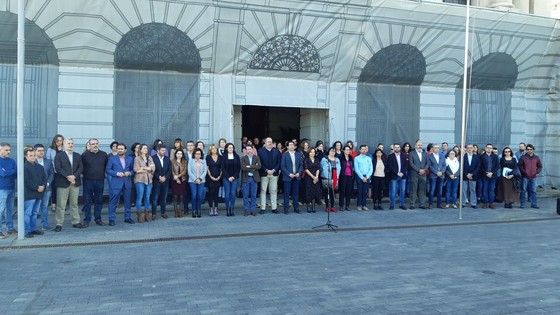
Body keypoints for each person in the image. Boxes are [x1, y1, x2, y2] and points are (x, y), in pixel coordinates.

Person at [54, 138, 85, 231]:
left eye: (72, 143)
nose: (71, 145)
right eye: (68, 143)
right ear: (64, 145)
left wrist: (74, 176)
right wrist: (68, 176)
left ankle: (76, 221)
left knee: (74, 203)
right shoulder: (59, 156)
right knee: (61, 204)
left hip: (75, 183)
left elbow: (81, 167)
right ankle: (59, 223)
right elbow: (58, 168)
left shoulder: (77, 155)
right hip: (63, 183)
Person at [105, 143, 135, 225]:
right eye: (118, 149)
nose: (120, 150)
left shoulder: (130, 159)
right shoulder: (112, 159)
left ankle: (127, 217)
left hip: (127, 182)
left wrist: (130, 173)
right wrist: (117, 173)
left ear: (125, 150)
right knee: (113, 202)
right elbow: (108, 170)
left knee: (128, 201)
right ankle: (111, 219)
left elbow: (133, 170)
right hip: (116, 183)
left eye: (122, 149)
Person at [81, 138, 108, 226]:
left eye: (96, 143)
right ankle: (87, 219)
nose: (95, 145)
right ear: (89, 145)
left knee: (99, 200)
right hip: (88, 181)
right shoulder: (84, 155)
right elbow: (81, 167)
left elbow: (106, 166)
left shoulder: (104, 154)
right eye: (93, 144)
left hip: (100, 180)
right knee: (87, 201)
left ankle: (98, 219)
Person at [23, 147, 47, 238]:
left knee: (35, 213)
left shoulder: (40, 167)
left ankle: (34, 229)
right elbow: (26, 181)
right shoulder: (24, 167)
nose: (33, 157)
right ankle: (27, 230)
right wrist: (37, 187)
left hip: (39, 193)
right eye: (30, 155)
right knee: (28, 213)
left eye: (33, 155)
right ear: (26, 157)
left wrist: (43, 186)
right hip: (30, 194)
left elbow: (45, 178)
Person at [258, 137, 281, 214]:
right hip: (264, 174)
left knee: (273, 191)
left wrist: (274, 170)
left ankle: (274, 208)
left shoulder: (276, 151)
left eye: (271, 142)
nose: (269, 143)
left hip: (274, 174)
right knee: (263, 190)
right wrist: (267, 170)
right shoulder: (260, 151)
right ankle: (263, 208)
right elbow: (259, 163)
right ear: (265, 143)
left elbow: (279, 162)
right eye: (268, 142)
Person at [34, 144, 55, 230]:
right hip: (35, 188)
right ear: (35, 151)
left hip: (47, 188)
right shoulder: (31, 161)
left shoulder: (48, 161)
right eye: (39, 150)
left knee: (44, 207)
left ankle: (45, 225)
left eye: (42, 150)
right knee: (34, 208)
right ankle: (33, 226)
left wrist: (47, 184)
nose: (41, 152)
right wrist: (37, 186)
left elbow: (52, 174)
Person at [133, 144, 155, 223]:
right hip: (140, 180)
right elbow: (136, 170)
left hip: (149, 180)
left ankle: (147, 214)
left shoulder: (150, 158)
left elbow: (153, 168)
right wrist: (147, 169)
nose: (146, 149)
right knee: (140, 197)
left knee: (147, 197)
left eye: (146, 148)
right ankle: (139, 215)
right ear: (140, 150)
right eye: (144, 148)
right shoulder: (137, 158)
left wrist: (143, 168)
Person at [281, 141, 303, 214]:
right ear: (287, 147)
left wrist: (298, 173)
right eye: (290, 145)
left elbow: (301, 165)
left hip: (296, 176)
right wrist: (289, 174)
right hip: (288, 177)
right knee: (287, 193)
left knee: (296, 193)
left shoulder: (298, 154)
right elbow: (283, 166)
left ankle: (296, 207)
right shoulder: (285, 155)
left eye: (293, 145)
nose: (292, 146)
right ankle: (286, 208)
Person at [518, 144, 542, 209]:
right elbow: (519, 166)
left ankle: (534, 204)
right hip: (525, 177)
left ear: (533, 150)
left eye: (530, 149)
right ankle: (522, 204)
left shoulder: (536, 157)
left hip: (533, 177)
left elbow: (540, 166)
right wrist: (524, 172)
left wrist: (536, 172)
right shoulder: (523, 157)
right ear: (526, 150)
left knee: (533, 191)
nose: (529, 150)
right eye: (528, 149)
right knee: (523, 190)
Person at [151, 144, 172, 220]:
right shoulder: (153, 158)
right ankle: (154, 214)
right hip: (156, 181)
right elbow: (152, 170)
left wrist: (165, 177)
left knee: (164, 198)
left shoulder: (167, 159)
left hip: (165, 182)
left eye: (165, 150)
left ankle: (163, 213)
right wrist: (159, 177)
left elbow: (170, 170)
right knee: (155, 198)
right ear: (158, 150)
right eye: (162, 150)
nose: (164, 152)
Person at [241, 144, 261, 216]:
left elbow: (259, 166)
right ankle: (246, 210)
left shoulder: (256, 157)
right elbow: (243, 168)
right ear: (246, 150)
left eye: (250, 149)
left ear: (252, 149)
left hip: (254, 179)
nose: (249, 150)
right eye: (247, 149)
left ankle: (253, 210)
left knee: (253, 195)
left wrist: (249, 166)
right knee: (245, 195)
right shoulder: (243, 158)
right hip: (246, 179)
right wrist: (254, 167)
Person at [221, 143, 241, 216]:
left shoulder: (236, 156)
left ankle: (232, 208)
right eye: (229, 147)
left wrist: (233, 177)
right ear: (226, 148)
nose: (231, 149)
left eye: (232, 147)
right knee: (227, 193)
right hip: (226, 178)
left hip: (234, 178)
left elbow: (238, 167)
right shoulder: (223, 157)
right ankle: (227, 208)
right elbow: (222, 168)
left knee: (233, 193)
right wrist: (228, 177)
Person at [409, 139, 428, 209]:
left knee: (422, 189)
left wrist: (424, 170)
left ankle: (422, 204)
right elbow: (411, 163)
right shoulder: (412, 153)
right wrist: (418, 170)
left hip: (423, 174)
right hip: (415, 174)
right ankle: (412, 204)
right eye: (418, 145)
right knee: (413, 189)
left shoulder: (425, 153)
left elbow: (428, 163)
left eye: (421, 145)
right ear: (415, 145)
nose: (420, 146)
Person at [387, 143, 407, 210]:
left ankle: (401, 204)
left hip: (402, 176)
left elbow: (405, 165)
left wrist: (402, 172)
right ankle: (392, 205)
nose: (397, 148)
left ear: (400, 148)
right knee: (393, 191)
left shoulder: (403, 156)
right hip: (394, 176)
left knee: (402, 191)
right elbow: (389, 166)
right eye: (395, 147)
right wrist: (397, 173)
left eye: (398, 147)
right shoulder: (390, 156)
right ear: (394, 148)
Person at [46, 134, 64, 211]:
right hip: (54, 171)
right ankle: (53, 205)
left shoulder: (65, 149)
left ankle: (62, 205)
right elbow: (48, 160)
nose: (59, 142)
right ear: (55, 141)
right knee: (54, 188)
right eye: (57, 141)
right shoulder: (51, 149)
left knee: (63, 189)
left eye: (60, 140)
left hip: (63, 172)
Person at [188, 148, 207, 218]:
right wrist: (195, 179)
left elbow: (205, 171)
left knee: (199, 196)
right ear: (194, 154)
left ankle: (199, 210)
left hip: (201, 181)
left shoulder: (204, 161)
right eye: (196, 154)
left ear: (201, 154)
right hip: (192, 181)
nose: (198, 155)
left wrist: (200, 178)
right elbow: (189, 171)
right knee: (194, 195)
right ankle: (194, 210)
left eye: (199, 154)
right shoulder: (191, 161)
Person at [320, 147, 341, 212]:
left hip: (334, 178)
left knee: (332, 193)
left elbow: (339, 168)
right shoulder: (324, 159)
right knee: (327, 193)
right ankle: (327, 206)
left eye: (334, 151)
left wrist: (337, 177)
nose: (333, 152)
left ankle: (332, 206)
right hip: (326, 177)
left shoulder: (337, 159)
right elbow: (321, 168)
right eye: (331, 151)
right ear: (329, 151)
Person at [480, 143, 500, 209]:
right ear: (485, 148)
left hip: (493, 176)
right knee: (485, 189)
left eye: (490, 148)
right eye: (488, 147)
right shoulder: (482, 156)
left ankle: (491, 203)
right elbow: (481, 166)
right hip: (484, 176)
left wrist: (492, 173)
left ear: (492, 149)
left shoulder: (495, 156)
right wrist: (486, 173)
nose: (489, 149)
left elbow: (497, 166)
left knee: (491, 189)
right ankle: (485, 203)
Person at [354, 145, 373, 211]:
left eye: (365, 149)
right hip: (360, 176)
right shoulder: (356, 158)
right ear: (360, 150)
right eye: (362, 149)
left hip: (367, 176)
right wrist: (362, 177)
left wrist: (367, 177)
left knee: (365, 192)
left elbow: (371, 169)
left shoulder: (369, 158)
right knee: (360, 191)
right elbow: (356, 169)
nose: (364, 150)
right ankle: (359, 205)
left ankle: (364, 205)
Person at [206, 144, 222, 216]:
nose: (214, 150)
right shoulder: (208, 157)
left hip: (218, 177)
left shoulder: (220, 157)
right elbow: (207, 168)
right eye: (212, 149)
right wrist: (210, 176)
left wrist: (219, 176)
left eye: (215, 148)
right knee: (210, 193)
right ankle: (210, 208)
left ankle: (215, 208)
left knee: (216, 193)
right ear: (210, 150)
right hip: (210, 178)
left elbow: (222, 168)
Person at [428, 144, 446, 209]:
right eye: (435, 148)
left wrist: (441, 172)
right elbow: (429, 166)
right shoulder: (430, 156)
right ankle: (430, 204)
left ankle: (439, 204)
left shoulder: (442, 156)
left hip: (441, 175)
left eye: (438, 148)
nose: (437, 149)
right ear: (432, 149)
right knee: (432, 190)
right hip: (433, 175)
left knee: (440, 190)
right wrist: (436, 172)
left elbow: (444, 166)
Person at [304, 147, 322, 212]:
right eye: (311, 152)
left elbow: (318, 168)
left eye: (314, 152)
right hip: (309, 177)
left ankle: (313, 206)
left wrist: (316, 176)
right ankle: (308, 206)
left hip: (316, 177)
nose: (312, 153)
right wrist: (312, 177)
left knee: (315, 191)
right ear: (309, 153)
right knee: (309, 191)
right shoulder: (306, 159)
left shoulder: (316, 160)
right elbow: (306, 169)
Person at [462, 144, 480, 208]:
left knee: (473, 190)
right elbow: (462, 166)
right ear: (466, 149)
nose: (469, 149)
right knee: (464, 190)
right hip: (465, 176)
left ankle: (473, 203)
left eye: (471, 148)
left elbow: (478, 167)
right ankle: (463, 203)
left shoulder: (477, 157)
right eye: (468, 148)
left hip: (473, 176)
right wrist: (467, 174)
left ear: (473, 149)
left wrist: (472, 174)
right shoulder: (463, 157)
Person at [171, 149, 187, 218]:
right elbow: (172, 171)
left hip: (182, 180)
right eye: (178, 153)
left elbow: (185, 170)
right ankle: (176, 211)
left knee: (181, 196)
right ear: (176, 154)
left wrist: (179, 176)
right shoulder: (172, 161)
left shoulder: (185, 162)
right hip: (174, 180)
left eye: (181, 153)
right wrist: (176, 178)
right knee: (175, 196)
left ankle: (180, 211)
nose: (179, 155)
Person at [338, 145, 354, 211]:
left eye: (348, 150)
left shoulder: (351, 158)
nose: (347, 151)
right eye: (346, 150)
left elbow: (352, 167)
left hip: (350, 176)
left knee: (348, 191)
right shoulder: (340, 158)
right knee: (342, 191)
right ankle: (341, 205)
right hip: (343, 176)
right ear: (343, 150)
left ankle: (348, 205)